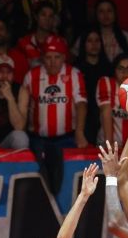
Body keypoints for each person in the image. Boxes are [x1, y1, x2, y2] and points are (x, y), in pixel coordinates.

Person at [19, 36, 88, 193]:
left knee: (65, 179)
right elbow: (23, 108)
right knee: (38, 179)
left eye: (57, 57)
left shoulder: (74, 74)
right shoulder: (31, 76)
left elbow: (81, 104)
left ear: (64, 57)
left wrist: (79, 132)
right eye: (48, 57)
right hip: (38, 139)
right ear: (42, 58)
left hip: (66, 138)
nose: (52, 62)